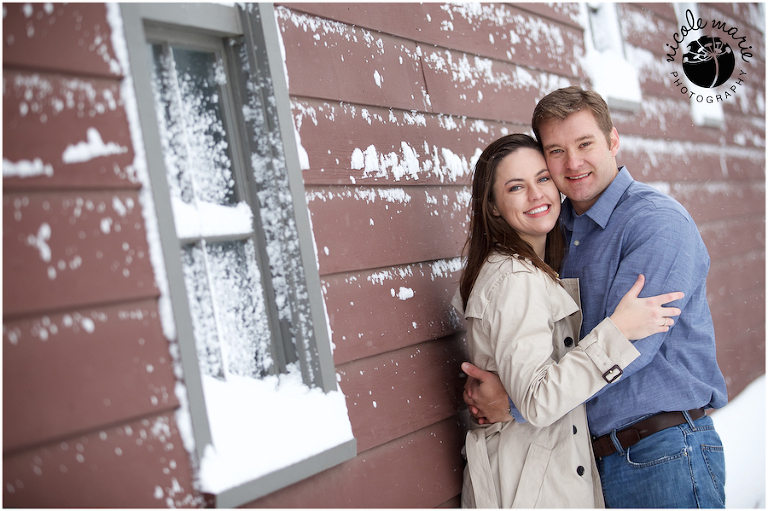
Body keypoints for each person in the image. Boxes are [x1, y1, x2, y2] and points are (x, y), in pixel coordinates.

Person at [462, 86, 728, 508]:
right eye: (556, 151)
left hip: (663, 451)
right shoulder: (555, 233)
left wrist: (514, 402)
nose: (573, 163)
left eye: (585, 144)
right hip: (592, 463)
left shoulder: (655, 223)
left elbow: (632, 349)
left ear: (613, 140)